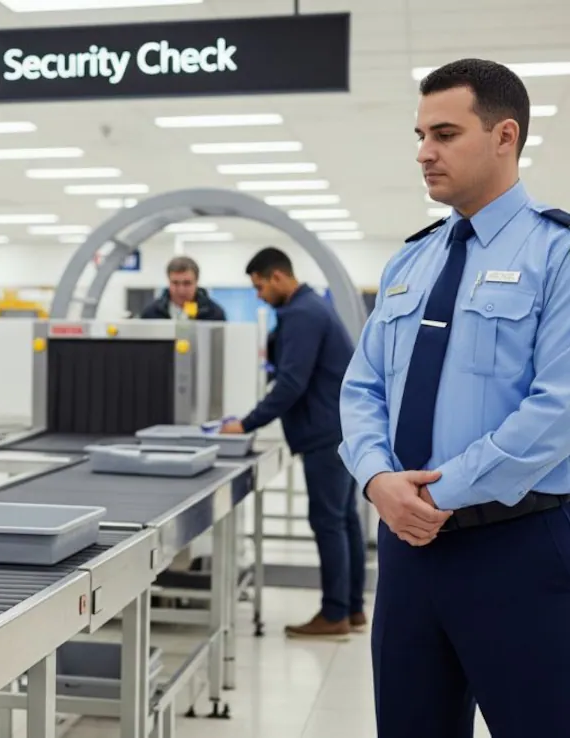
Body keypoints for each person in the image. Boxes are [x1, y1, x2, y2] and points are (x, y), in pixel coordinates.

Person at [339, 58, 570, 737]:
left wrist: (436, 495)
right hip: (410, 560)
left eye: (444, 132)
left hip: (518, 551)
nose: (424, 153)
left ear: (505, 136)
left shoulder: (557, 255)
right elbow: (362, 389)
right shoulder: (411, 261)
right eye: (419, 134)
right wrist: (378, 479)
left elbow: (558, 409)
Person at [221, 247, 365, 639]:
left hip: (325, 436)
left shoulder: (302, 314)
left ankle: (335, 613)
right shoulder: (310, 308)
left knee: (328, 522)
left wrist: (247, 424)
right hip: (339, 430)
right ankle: (352, 608)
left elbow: (291, 383)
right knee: (343, 519)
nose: (259, 295)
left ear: (278, 277)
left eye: (260, 287)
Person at [140, 256, 227, 321]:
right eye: (175, 283)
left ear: (196, 282)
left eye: (187, 283)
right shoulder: (151, 314)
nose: (181, 290)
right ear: (168, 281)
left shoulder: (214, 314)